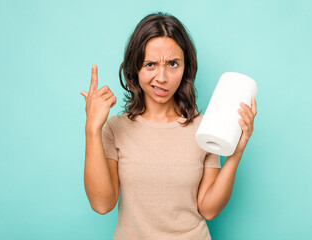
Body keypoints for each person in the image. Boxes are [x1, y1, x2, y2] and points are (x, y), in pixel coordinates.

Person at [81, 12, 257, 240]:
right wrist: (92, 129)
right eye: (150, 64)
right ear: (136, 68)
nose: (162, 77)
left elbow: (209, 209)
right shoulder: (115, 129)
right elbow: (102, 204)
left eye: (173, 64)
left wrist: (236, 153)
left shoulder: (204, 127)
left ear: (186, 67)